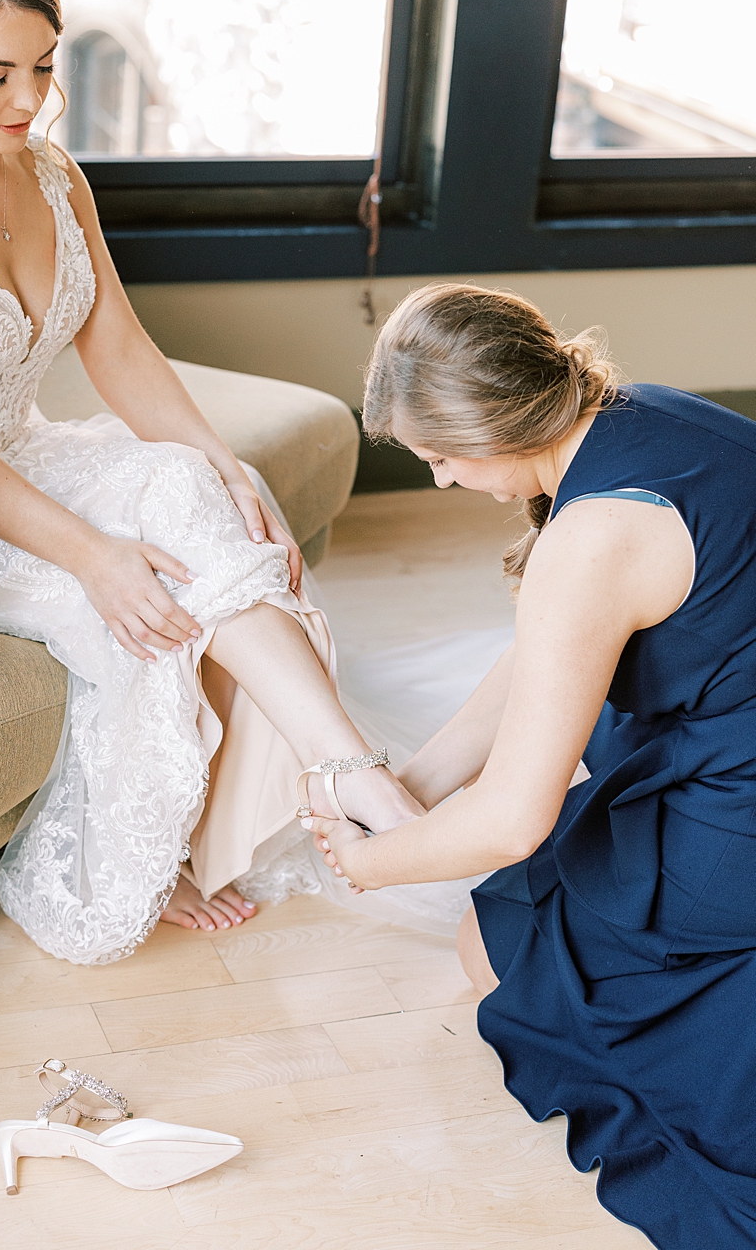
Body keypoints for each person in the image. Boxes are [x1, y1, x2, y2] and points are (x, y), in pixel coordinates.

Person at [0, 0, 423, 964]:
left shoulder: (49, 170)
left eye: (43, 66)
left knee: (192, 494)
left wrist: (225, 466)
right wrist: (90, 556)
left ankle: (344, 767)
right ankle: (165, 849)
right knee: (144, 596)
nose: (29, 100)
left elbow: (120, 348)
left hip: (28, 451)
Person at [304, 283, 756, 1249]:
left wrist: (370, 863)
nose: (437, 482)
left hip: (739, 817)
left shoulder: (591, 539)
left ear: (491, 430)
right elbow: (545, 656)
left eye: (437, 459)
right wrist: (420, 784)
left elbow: (515, 821)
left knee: (495, 950)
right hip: (735, 733)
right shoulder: (651, 413)